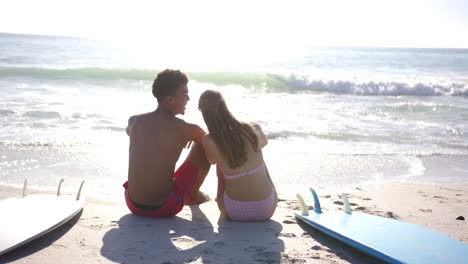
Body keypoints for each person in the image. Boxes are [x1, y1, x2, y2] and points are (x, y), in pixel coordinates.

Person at [123, 69, 211, 218]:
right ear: (170, 100)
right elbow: (213, 143)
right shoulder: (185, 129)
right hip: (164, 207)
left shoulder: (134, 121)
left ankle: (190, 193)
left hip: (132, 203)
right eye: (184, 94)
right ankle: (193, 196)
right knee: (203, 145)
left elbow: (130, 132)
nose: (188, 98)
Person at [198, 90, 277, 221]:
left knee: (221, 164)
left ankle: (220, 199)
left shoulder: (209, 140)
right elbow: (264, 143)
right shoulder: (253, 128)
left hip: (234, 211)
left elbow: (211, 160)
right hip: (267, 209)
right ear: (224, 106)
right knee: (258, 158)